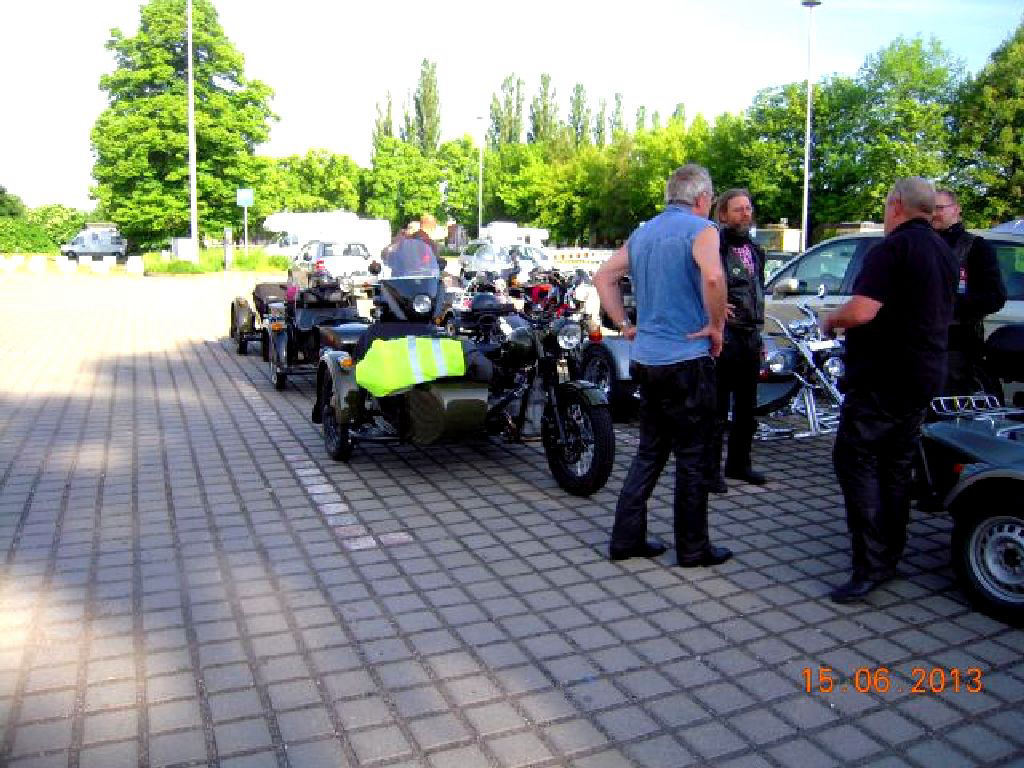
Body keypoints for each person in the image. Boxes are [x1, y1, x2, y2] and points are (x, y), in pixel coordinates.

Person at [823, 177, 957, 604]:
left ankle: (870, 565)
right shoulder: (943, 250)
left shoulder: (892, 249)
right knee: (896, 467)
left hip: (883, 379)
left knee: (856, 462)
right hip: (923, 374)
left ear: (896, 205)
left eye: (885, 206)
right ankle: (891, 555)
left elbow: (863, 311)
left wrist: (832, 319)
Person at [594, 164, 732, 568]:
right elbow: (713, 277)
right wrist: (716, 325)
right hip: (687, 360)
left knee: (650, 451)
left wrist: (624, 324)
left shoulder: (643, 233)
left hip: (647, 359)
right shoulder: (702, 230)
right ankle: (693, 548)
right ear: (703, 198)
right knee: (692, 456)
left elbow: (603, 277)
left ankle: (626, 539)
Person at [709, 189, 768, 493]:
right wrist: (713, 307)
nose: (746, 214)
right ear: (723, 215)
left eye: (748, 208)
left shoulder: (756, 250)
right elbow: (702, 281)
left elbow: (758, 291)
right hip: (726, 334)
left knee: (747, 407)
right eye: (738, 209)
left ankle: (739, 463)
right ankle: (709, 471)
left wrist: (760, 334)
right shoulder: (714, 247)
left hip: (750, 334)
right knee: (717, 408)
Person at [931, 188, 1007, 394]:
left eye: (939, 208)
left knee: (949, 405)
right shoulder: (921, 244)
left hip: (957, 348)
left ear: (956, 209)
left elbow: (995, 296)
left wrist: (949, 305)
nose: (934, 214)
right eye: (930, 209)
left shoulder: (976, 247)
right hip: (920, 345)